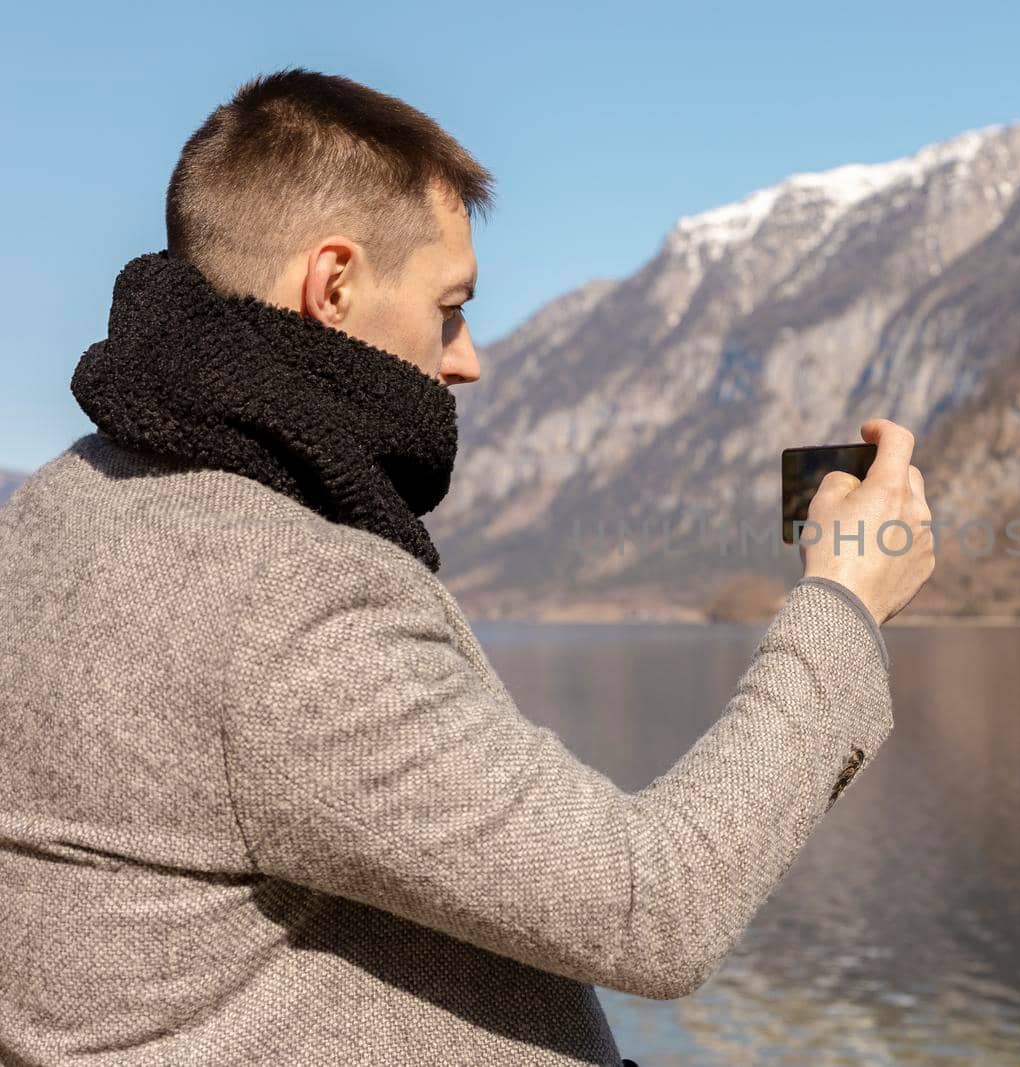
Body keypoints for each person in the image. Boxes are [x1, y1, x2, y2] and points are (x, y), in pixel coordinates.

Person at [0, 68, 935, 1065]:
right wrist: (842, 598)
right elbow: (656, 906)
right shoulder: (290, 603)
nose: (468, 358)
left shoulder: (59, 508)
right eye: (450, 307)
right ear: (333, 285)